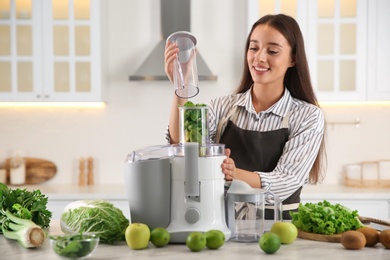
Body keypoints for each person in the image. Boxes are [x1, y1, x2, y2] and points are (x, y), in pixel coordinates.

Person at [164, 14, 326, 219]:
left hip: (278, 230)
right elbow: (184, 147)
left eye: (273, 51)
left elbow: (286, 182)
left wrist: (233, 174)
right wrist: (182, 85)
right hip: (222, 225)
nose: (259, 58)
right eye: (253, 47)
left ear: (293, 58)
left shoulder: (307, 116)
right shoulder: (221, 107)